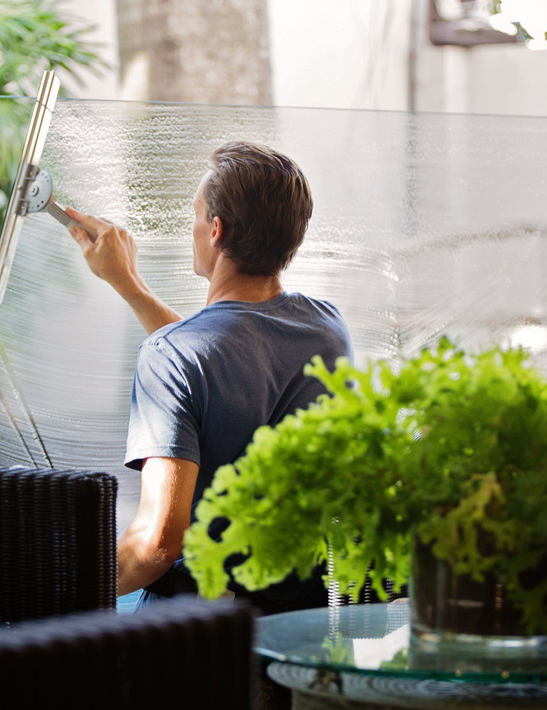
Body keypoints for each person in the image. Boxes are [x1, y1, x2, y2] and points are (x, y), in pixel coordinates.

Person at [65, 141, 352, 613]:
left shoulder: (173, 356)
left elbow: (156, 546)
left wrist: (52, 586)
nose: (193, 227)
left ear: (215, 231)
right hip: (302, 619)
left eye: (196, 215)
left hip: (202, 631)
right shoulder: (328, 329)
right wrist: (129, 285)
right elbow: (226, 355)